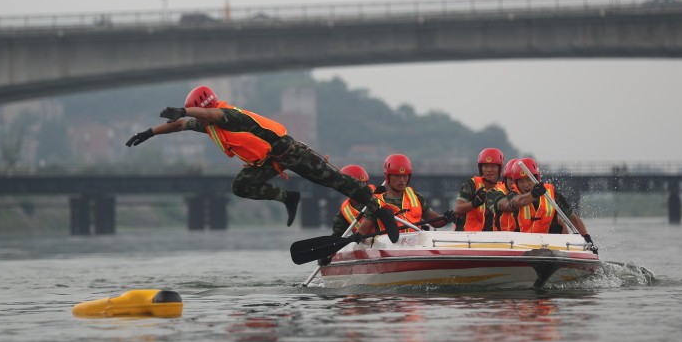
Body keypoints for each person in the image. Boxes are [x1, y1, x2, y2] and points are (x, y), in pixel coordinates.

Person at [125, 85, 386, 228]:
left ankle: (377, 208)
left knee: (334, 181)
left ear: (202, 109)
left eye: (196, 113)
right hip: (267, 163)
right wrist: (149, 132)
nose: (194, 118)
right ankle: (288, 197)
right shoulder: (207, 125)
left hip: (289, 152)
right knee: (241, 186)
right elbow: (180, 125)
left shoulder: (228, 115)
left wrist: (184, 110)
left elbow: (211, 115)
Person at [489, 157, 598, 251]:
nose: (525, 185)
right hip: (517, 244)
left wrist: (586, 238)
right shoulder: (511, 194)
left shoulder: (551, 195)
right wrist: (533, 194)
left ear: (536, 178)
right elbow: (517, 202)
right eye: (521, 181)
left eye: (528, 180)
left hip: (546, 245)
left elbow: (572, 217)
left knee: (558, 223)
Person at [357, 154, 456, 235]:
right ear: (388, 177)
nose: (402, 180)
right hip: (389, 249)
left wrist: (446, 218)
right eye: (397, 176)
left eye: (405, 176)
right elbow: (362, 231)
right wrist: (357, 236)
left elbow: (435, 221)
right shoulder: (376, 203)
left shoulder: (416, 198)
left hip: (414, 248)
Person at [452, 148, 509, 231]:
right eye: (485, 166)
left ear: (499, 169)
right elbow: (458, 209)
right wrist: (475, 203)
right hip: (468, 237)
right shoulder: (471, 184)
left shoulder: (503, 188)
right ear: (480, 168)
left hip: (495, 238)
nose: (489, 170)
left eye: (493, 166)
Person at [330, 164, 375, 238]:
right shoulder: (344, 213)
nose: (362, 189)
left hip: (390, 243)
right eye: (359, 186)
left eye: (364, 185)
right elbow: (337, 237)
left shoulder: (381, 199)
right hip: (366, 246)